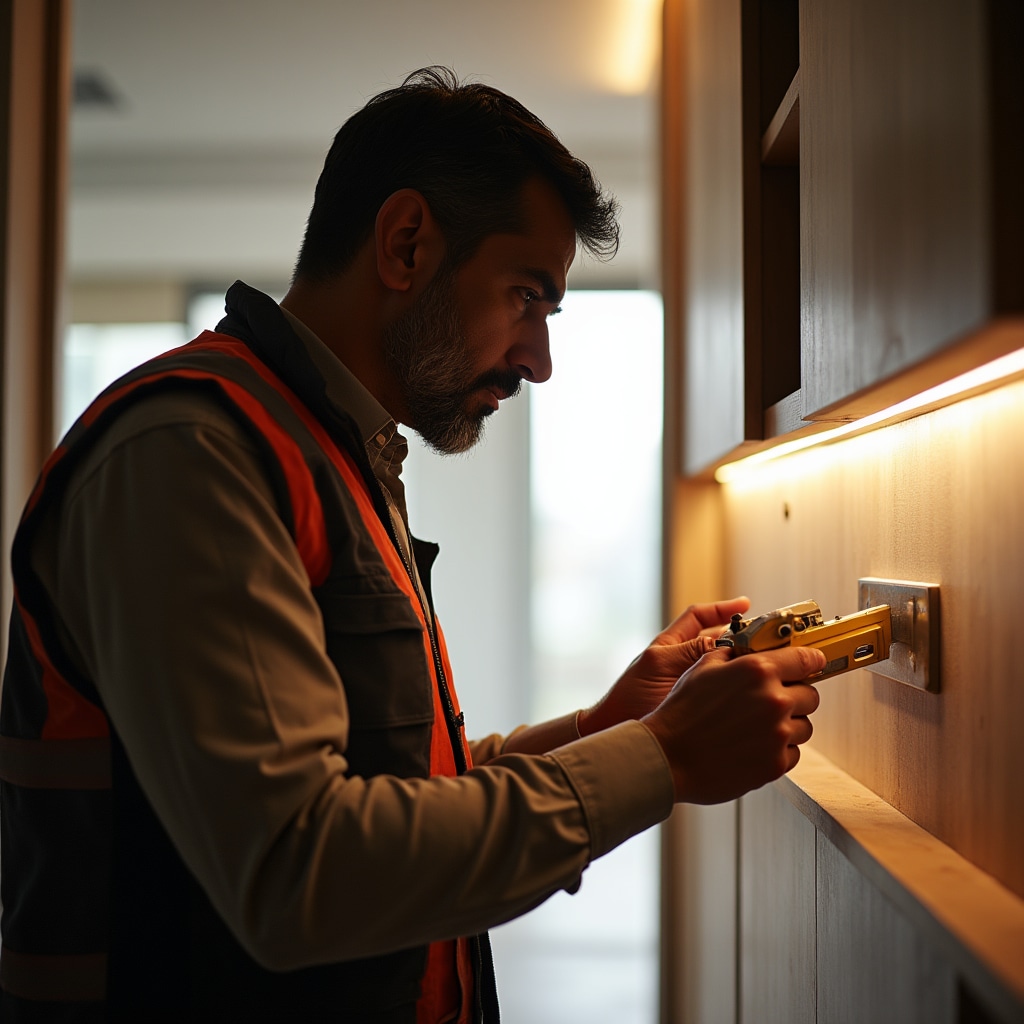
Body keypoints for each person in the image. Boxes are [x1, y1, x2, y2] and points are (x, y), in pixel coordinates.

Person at [0, 67, 822, 1023]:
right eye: (527, 295)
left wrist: (612, 729)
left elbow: (391, 792)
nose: (538, 362)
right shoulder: (192, 454)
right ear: (405, 244)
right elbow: (300, 870)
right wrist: (662, 760)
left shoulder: (329, 452)